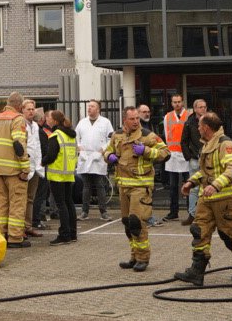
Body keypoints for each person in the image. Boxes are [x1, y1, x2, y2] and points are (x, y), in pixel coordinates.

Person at [173, 113, 232, 286]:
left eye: (199, 126)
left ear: (206, 128)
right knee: (199, 231)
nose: (197, 128)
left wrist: (216, 185)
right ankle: (197, 272)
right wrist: (191, 182)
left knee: (229, 235)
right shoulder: (207, 144)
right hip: (206, 199)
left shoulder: (225, 144)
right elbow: (205, 172)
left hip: (225, 200)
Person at [104, 106, 169, 272]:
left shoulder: (147, 135)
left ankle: (143, 258)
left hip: (141, 186)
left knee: (137, 223)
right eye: (132, 119)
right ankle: (134, 256)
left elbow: (165, 152)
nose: (135, 122)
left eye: (137, 118)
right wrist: (109, 156)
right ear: (124, 120)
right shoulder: (117, 135)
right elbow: (107, 151)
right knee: (128, 224)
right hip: (123, 186)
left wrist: (146, 151)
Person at [0, 91, 32, 247]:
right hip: (14, 171)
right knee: (17, 203)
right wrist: (25, 168)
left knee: (1, 205)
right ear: (19, 105)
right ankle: (15, 237)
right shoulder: (17, 119)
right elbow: (18, 144)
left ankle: (0, 236)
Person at [74, 99, 115, 219]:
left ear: (98, 109)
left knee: (99, 185)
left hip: (98, 158)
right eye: (88, 106)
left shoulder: (105, 122)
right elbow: (76, 137)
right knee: (86, 186)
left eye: (92, 106)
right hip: (85, 157)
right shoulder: (82, 122)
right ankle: (84, 211)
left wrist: (102, 150)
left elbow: (110, 139)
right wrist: (79, 148)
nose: (89, 108)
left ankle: (103, 211)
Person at [44, 110, 80, 243]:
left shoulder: (56, 135)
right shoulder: (70, 135)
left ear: (54, 121)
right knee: (69, 203)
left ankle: (64, 234)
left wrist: (42, 161)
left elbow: (51, 156)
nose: (47, 120)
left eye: (49, 118)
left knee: (61, 205)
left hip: (57, 175)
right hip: (68, 174)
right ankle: (72, 233)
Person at [162, 94, 192, 221]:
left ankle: (191, 211)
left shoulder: (189, 115)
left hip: (186, 154)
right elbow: (167, 135)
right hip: (173, 155)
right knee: (173, 186)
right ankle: (173, 212)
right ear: (171, 103)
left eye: (179, 102)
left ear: (183, 102)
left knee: (189, 185)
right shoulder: (167, 117)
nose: (177, 104)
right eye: (175, 102)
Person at [179, 98, 207, 225]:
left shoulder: (210, 121)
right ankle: (192, 214)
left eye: (205, 107)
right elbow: (183, 141)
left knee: (208, 186)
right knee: (194, 188)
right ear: (195, 109)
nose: (203, 109)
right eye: (201, 107)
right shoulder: (189, 123)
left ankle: (207, 215)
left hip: (208, 159)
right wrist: (189, 156)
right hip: (195, 159)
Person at [21, 99, 45, 238]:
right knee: (21, 199)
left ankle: (28, 226)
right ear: (22, 110)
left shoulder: (35, 125)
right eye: (28, 109)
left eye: (32, 109)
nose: (31, 111)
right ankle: (20, 228)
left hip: (35, 166)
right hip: (25, 166)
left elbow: (37, 146)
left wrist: (39, 163)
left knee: (30, 198)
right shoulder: (20, 124)